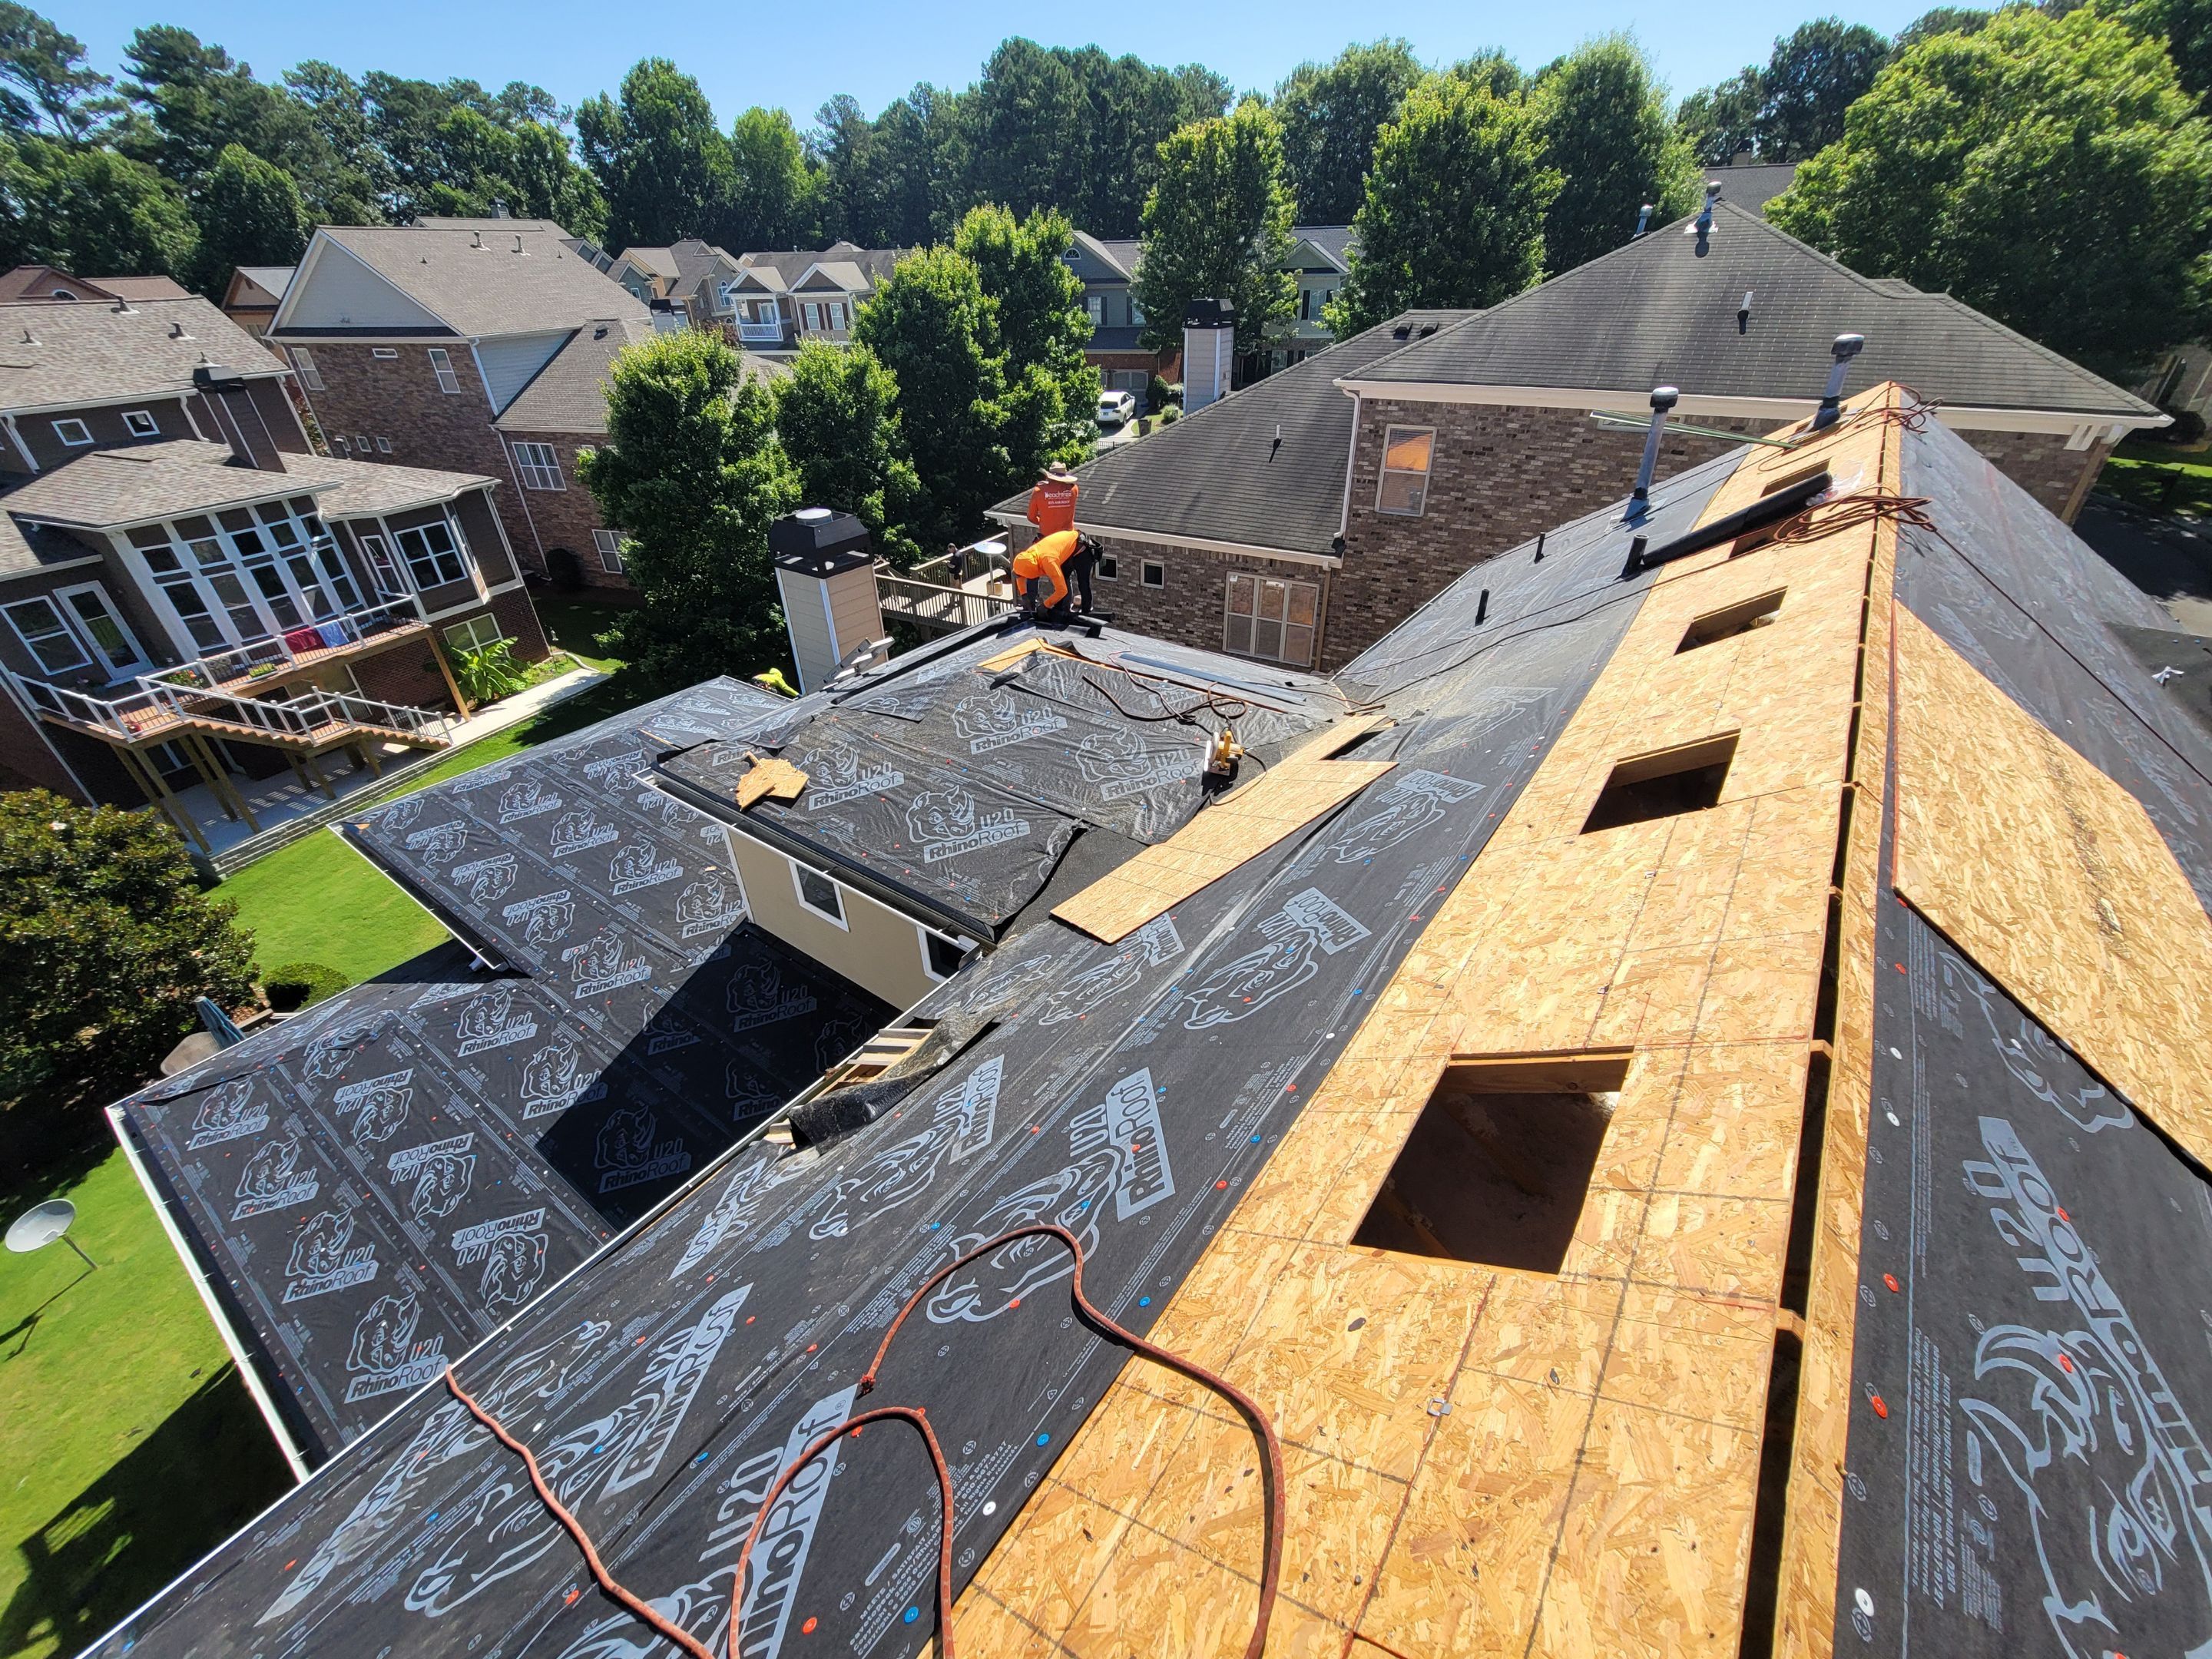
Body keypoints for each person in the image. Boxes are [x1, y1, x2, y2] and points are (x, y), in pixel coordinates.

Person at [1013, 529, 1100, 619]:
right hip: (1067, 551)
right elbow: (1019, 574)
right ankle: (1061, 608)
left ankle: (1087, 613)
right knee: (1064, 577)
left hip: (1082, 548)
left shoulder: (1049, 562)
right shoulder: (1028, 555)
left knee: (1083, 583)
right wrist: (1024, 595)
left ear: (1035, 572)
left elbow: (1062, 590)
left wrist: (1045, 606)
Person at [1027, 460, 1078, 538]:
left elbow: (1031, 517)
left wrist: (1045, 522)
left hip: (1048, 538)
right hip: (1067, 538)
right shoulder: (1074, 489)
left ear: (1049, 476)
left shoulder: (1039, 491)